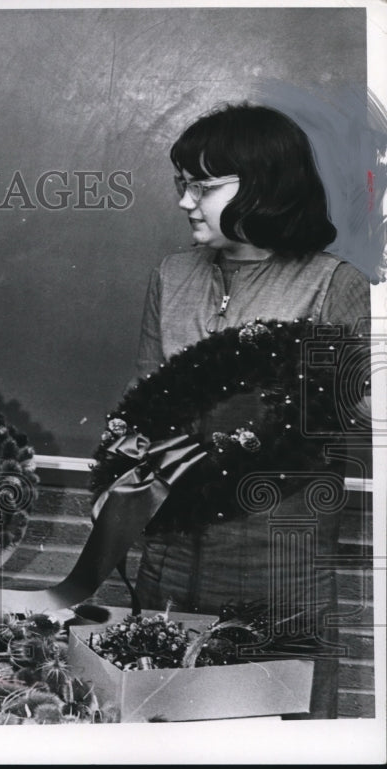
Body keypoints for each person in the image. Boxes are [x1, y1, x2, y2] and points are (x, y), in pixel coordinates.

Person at [132, 103, 370, 718]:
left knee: (279, 730)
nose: (186, 200)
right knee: (164, 723)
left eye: (205, 186)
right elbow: (146, 408)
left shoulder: (331, 284)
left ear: (265, 184)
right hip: (173, 552)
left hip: (277, 557)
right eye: (183, 183)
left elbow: (331, 424)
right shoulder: (172, 274)